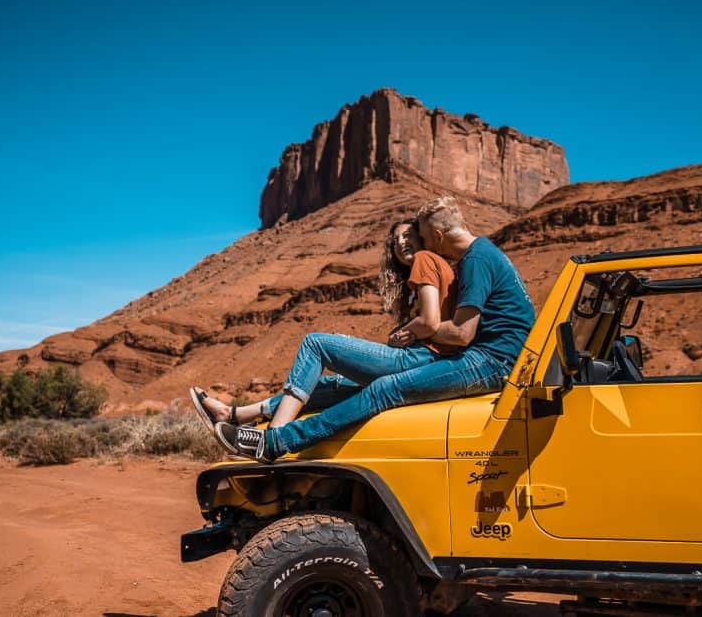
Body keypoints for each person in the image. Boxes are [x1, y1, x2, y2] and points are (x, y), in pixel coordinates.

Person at [215, 196, 535, 463]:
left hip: (494, 364)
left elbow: (462, 334)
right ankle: (248, 418)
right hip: (497, 360)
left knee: (384, 389)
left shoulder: (475, 259)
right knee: (342, 384)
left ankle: (276, 442)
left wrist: (415, 331)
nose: (422, 246)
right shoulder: (485, 253)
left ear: (436, 236)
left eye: (422, 237)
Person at [188, 218, 459, 440]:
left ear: (424, 237)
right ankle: (234, 415)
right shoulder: (419, 276)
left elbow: (429, 322)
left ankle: (274, 437)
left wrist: (402, 334)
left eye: (408, 234)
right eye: (396, 239)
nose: (401, 242)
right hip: (422, 361)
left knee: (315, 343)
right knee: (329, 383)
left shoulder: (425, 259)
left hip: (420, 360)